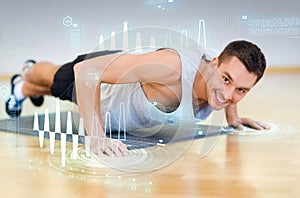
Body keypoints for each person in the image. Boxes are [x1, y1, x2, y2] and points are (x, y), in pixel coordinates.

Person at [5, 40, 270, 157]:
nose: (228, 95)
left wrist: (233, 117)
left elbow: (234, 82)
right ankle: (29, 72)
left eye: (241, 90)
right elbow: (85, 72)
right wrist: (95, 135)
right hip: (99, 87)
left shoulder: (224, 76)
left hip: (131, 73)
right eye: (226, 80)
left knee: (44, 87)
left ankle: (23, 88)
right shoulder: (173, 69)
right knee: (54, 80)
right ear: (214, 65)